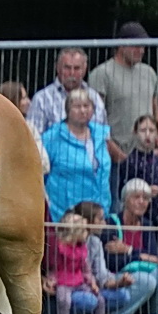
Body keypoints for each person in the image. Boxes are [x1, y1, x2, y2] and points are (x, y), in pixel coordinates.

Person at [104, 178, 158, 314]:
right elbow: (111, 261)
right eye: (136, 197)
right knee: (146, 281)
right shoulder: (111, 223)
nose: (142, 201)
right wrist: (141, 255)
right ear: (125, 199)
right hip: (117, 274)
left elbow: (154, 257)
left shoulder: (147, 225)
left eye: (146, 198)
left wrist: (128, 250)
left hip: (144, 270)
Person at [88, 22, 158, 164]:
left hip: (147, 154)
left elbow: (156, 111)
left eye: (143, 46)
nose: (141, 50)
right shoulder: (102, 73)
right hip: (115, 155)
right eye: (136, 46)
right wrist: (115, 152)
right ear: (121, 44)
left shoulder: (149, 72)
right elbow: (95, 119)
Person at [41, 87, 112, 220]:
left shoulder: (101, 135)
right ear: (67, 110)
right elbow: (41, 172)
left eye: (87, 106)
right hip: (65, 217)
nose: (83, 111)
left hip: (98, 215)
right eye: (77, 106)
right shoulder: (52, 137)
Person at [29, 46, 105, 140]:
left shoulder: (94, 97)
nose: (72, 73)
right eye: (67, 68)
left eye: (77, 68)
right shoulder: (41, 99)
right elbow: (33, 139)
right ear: (58, 68)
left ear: (84, 70)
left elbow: (103, 137)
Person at [44, 212, 102, 314]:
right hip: (63, 282)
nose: (87, 233)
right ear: (76, 232)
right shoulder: (59, 248)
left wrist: (92, 283)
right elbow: (54, 267)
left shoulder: (82, 248)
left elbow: (86, 269)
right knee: (64, 300)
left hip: (79, 281)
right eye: (84, 230)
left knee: (100, 299)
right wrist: (51, 280)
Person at [111, 114, 158, 196]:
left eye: (151, 130)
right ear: (135, 133)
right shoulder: (130, 161)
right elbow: (123, 190)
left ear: (157, 133)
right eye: (143, 130)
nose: (147, 135)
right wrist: (146, 190)